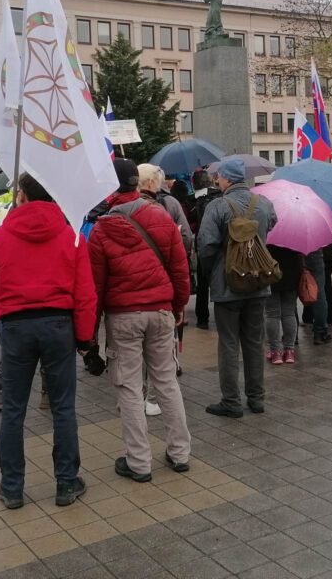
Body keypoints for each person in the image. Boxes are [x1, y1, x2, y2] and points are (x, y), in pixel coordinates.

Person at [0, 173, 96, 509]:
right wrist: (84, 338)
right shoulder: (72, 236)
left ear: (23, 196)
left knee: (13, 409)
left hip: (16, 326)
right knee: (63, 408)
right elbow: (85, 294)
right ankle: (67, 482)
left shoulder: (0, 237)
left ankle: (12, 488)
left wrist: (5, 307)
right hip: (59, 325)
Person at [88, 158, 192, 483]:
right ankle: (180, 453)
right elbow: (179, 269)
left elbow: (96, 286)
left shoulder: (103, 227)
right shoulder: (161, 216)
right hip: (161, 312)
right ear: (137, 183)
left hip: (123, 318)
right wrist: (177, 307)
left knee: (129, 387)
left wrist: (90, 333)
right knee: (167, 382)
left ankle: (139, 462)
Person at [197, 157, 276, 418]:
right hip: (258, 282)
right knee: (255, 342)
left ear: (228, 179)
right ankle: (257, 398)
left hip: (227, 285)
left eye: (219, 177)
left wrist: (214, 269)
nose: (216, 180)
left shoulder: (217, 206)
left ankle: (231, 401)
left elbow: (206, 246)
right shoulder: (263, 203)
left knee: (229, 344)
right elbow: (271, 226)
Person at [138, 164, 193, 255]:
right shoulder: (170, 202)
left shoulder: (127, 207)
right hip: (169, 259)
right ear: (151, 182)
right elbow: (186, 235)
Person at [191, 169, 221, 329]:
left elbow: (190, 224)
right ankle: (222, 317)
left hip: (202, 246)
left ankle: (202, 319)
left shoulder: (193, 201)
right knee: (220, 281)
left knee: (203, 284)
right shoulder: (221, 197)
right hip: (219, 245)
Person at [264, 246, 303, 364]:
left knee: (272, 315)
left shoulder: (267, 232)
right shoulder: (295, 231)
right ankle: (289, 351)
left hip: (271, 273)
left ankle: (276, 353)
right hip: (292, 274)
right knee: (289, 313)